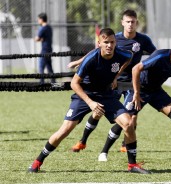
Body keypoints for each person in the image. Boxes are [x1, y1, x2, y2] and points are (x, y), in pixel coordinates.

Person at [28, 28, 151, 174]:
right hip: (84, 94)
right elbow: (74, 83)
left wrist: (116, 76)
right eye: (106, 42)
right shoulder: (92, 58)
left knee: (129, 123)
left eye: (112, 42)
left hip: (106, 95)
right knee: (65, 130)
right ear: (99, 43)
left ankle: (132, 165)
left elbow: (129, 57)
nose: (109, 45)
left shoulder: (122, 54)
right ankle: (37, 162)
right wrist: (90, 103)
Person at [69, 9, 156, 159]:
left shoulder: (144, 40)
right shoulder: (114, 38)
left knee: (130, 115)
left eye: (133, 22)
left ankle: (124, 144)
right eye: (127, 21)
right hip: (112, 83)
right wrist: (77, 62)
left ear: (137, 23)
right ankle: (82, 141)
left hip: (130, 84)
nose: (130, 25)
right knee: (98, 113)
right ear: (122, 23)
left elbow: (154, 56)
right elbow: (95, 52)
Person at [128, 37, 171, 160]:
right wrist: (136, 93)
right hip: (142, 90)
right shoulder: (160, 56)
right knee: (125, 120)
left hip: (156, 92)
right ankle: (104, 151)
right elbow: (136, 69)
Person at [35, 13, 55, 84]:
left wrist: (36, 39)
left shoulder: (43, 28)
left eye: (38, 19)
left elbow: (37, 38)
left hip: (44, 50)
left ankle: (41, 82)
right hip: (49, 49)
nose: (38, 20)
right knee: (49, 66)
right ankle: (53, 82)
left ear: (41, 19)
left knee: (41, 66)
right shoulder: (49, 27)